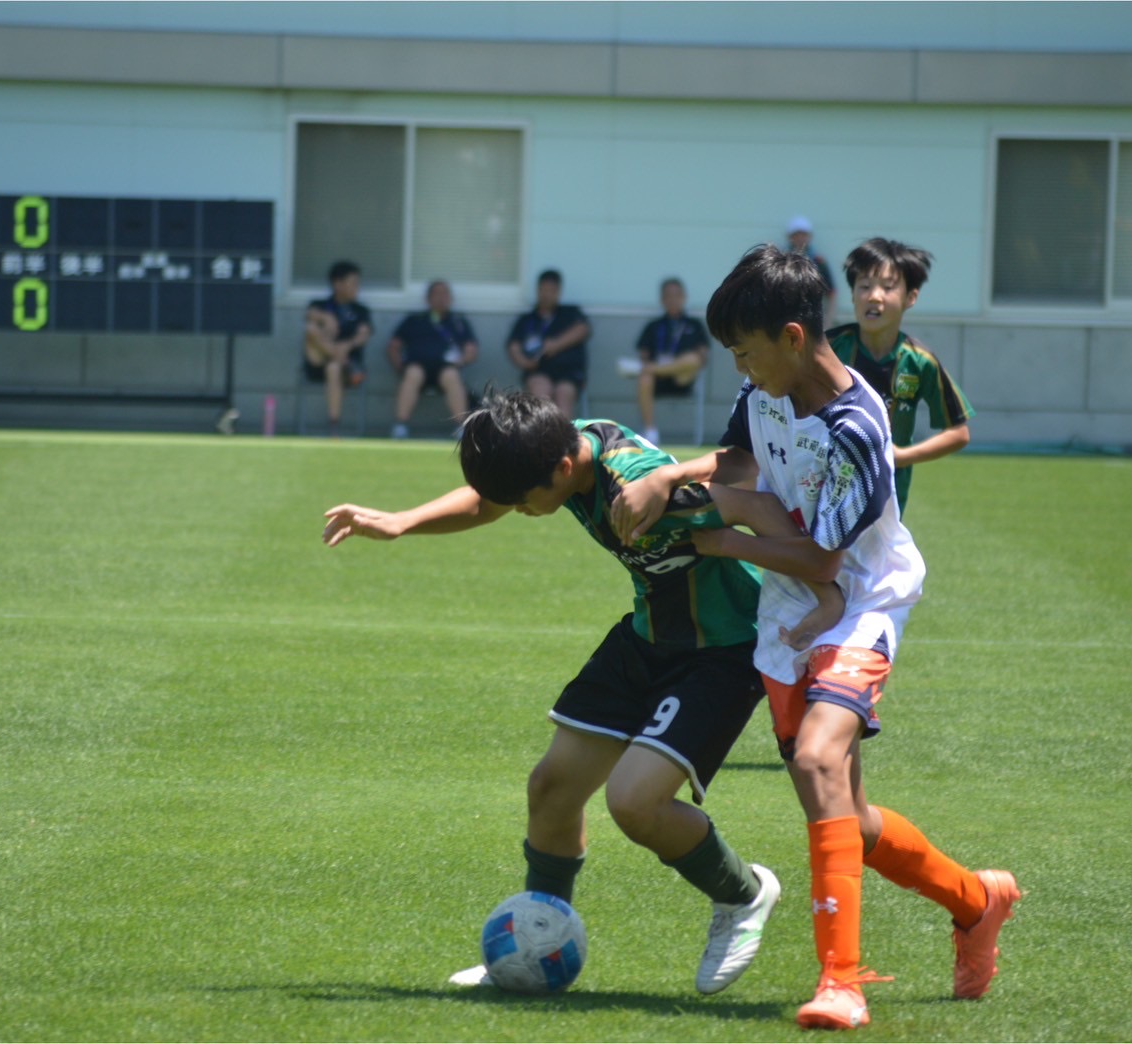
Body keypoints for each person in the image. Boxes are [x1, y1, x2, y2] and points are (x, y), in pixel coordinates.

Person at [609, 246, 1018, 1030]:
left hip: (859, 602)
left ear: (792, 337)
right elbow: (737, 461)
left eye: (744, 353)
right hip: (788, 608)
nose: (739, 368)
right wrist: (668, 476)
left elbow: (824, 560)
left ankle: (840, 983)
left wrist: (714, 540)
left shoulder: (856, 427)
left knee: (817, 757)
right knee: (846, 818)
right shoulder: (764, 386)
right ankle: (976, 901)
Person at [323, 390, 851, 997]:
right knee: (553, 788)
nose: (519, 510)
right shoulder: (560, 445)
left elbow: (757, 505)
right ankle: (536, 940)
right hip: (648, 636)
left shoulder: (644, 490)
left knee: (635, 804)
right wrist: (400, 522)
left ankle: (743, 894)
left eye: (525, 499)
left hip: (722, 651)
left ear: (563, 468)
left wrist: (825, 594)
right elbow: (488, 500)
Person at [829, 238, 973, 514]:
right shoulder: (829, 349)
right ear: (853, 295)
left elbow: (959, 432)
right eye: (864, 286)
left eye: (888, 287)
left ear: (911, 297)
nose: (874, 296)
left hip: (888, 494)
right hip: (826, 480)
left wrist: (902, 456)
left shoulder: (919, 362)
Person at [615, 277, 711, 446]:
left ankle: (657, 369)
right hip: (657, 381)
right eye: (668, 296)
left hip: (683, 379)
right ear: (662, 299)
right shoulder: (653, 326)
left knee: (692, 359)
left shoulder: (694, 325)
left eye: (676, 295)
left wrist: (673, 365)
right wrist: (655, 367)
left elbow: (702, 357)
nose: (673, 299)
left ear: (684, 297)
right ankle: (650, 432)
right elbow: (643, 355)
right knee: (645, 377)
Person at [385, 279, 478, 439]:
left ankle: (461, 427)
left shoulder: (458, 322)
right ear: (428, 298)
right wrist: (400, 366)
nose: (441, 298)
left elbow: (471, 348)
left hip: (446, 368)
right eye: (437, 294)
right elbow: (393, 346)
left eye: (445, 294)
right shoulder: (414, 320)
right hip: (417, 366)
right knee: (412, 374)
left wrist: (461, 361)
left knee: (452, 375)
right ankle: (400, 426)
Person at [506, 270, 590, 420]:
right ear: (537, 290)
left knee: (563, 394)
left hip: (569, 373)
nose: (547, 295)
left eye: (551, 290)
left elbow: (582, 329)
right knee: (541, 394)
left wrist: (555, 345)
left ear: (559, 292)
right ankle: (542, 432)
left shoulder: (570, 313)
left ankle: (564, 433)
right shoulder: (527, 320)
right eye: (544, 290)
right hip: (538, 371)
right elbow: (514, 346)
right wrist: (524, 362)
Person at [303, 260, 373, 437]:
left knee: (334, 367)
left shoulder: (361, 310)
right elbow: (309, 314)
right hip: (318, 362)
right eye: (353, 283)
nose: (357, 287)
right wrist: (326, 317)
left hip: (349, 369)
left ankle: (333, 427)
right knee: (311, 329)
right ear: (337, 284)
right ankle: (336, 355)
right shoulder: (321, 305)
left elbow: (364, 333)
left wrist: (347, 345)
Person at [787, 216, 837, 328]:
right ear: (790, 237)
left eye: (803, 235)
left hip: (813, 317)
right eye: (796, 235)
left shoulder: (819, 261)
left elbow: (832, 293)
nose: (800, 238)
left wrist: (828, 322)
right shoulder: (783, 260)